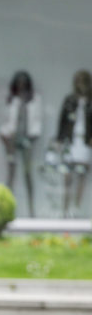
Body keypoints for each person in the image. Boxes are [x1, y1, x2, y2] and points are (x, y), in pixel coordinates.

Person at [0, 70, 42, 216]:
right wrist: (5, 134)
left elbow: (37, 121)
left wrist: (32, 136)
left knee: (27, 173)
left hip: (27, 139)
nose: (21, 85)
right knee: (11, 173)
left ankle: (31, 210)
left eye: (24, 82)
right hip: (12, 139)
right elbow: (5, 121)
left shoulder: (34, 99)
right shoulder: (11, 99)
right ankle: (6, 210)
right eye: (19, 82)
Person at [56, 69, 92, 214]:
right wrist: (59, 139)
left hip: (85, 141)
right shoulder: (70, 100)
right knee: (68, 175)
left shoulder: (90, 102)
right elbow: (62, 120)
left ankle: (77, 207)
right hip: (70, 140)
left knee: (82, 174)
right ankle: (66, 207)